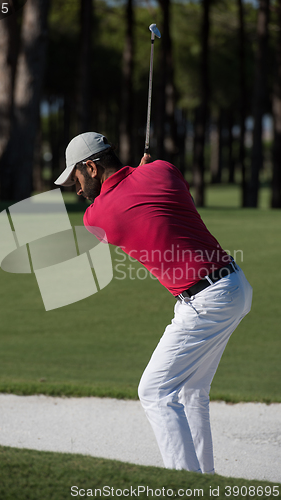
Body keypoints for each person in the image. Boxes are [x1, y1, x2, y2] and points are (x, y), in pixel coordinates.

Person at [54, 131, 253, 474]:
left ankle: (186, 486)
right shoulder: (163, 169)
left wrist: (133, 179)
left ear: (91, 167)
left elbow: (111, 209)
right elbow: (151, 188)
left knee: (154, 392)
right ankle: (204, 482)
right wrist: (144, 171)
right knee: (191, 392)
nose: (76, 187)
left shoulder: (97, 216)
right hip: (234, 286)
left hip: (206, 300)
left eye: (76, 177)